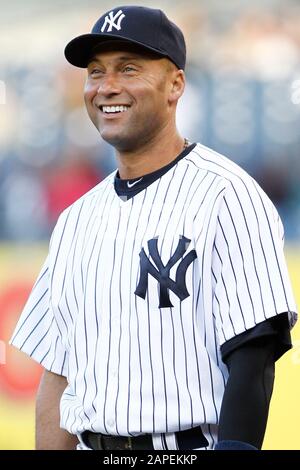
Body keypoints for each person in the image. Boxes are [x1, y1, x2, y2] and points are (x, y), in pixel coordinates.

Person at [10, 5, 297, 451]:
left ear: (175, 84)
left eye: (128, 69)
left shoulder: (226, 194)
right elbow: (58, 373)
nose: (107, 87)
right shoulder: (75, 221)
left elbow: (254, 356)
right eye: (95, 71)